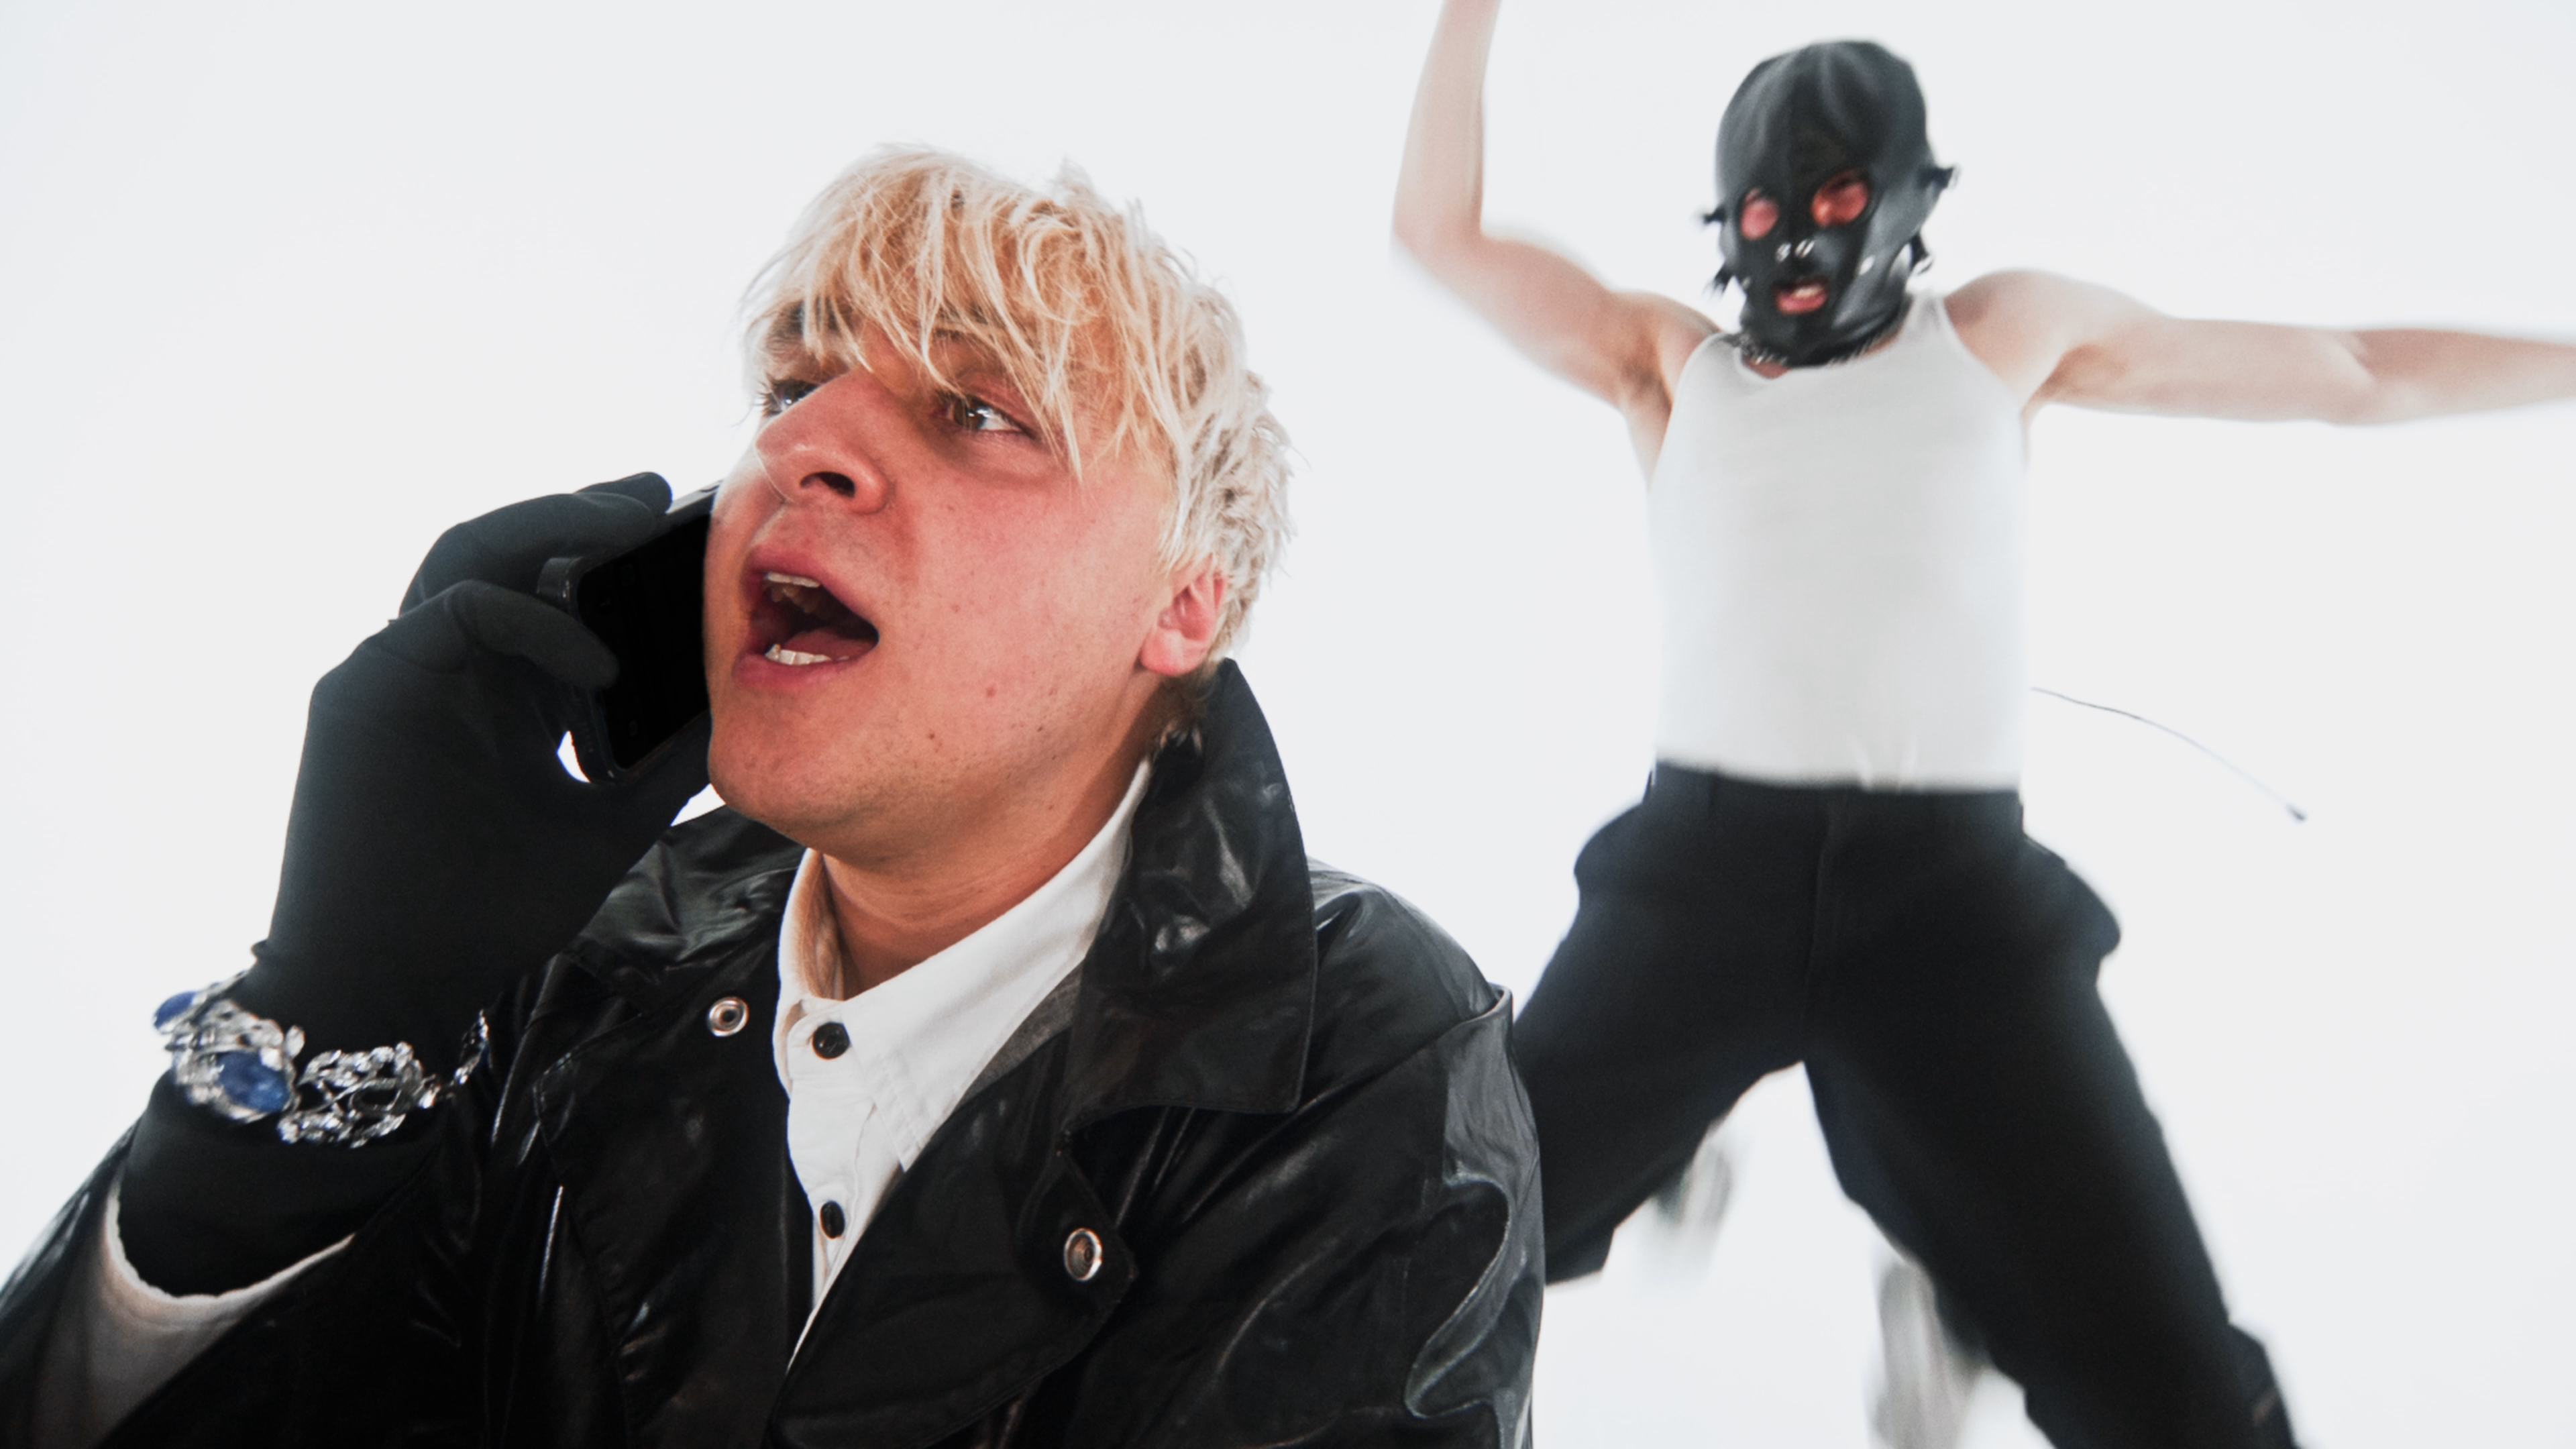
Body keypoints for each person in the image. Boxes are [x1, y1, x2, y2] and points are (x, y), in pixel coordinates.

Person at [0, 146, 1543, 1448]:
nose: (804, 446)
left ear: (1184, 604)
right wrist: (334, 1023)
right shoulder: (573, 974)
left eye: (979, 410)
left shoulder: (1357, 1056)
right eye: (793, 384)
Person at [1392, 3, 2576, 1446]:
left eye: (1835, 202)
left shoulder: (2003, 336)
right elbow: (1440, 233)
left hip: (1944, 899)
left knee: (2183, 1399)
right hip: (1705, 883)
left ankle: (1957, 1270)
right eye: (1764, 213)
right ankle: (1681, 1156)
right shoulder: (1666, 362)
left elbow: (2355, 371)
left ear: (1901, 204)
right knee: (1405, 1267)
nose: (1796, 240)